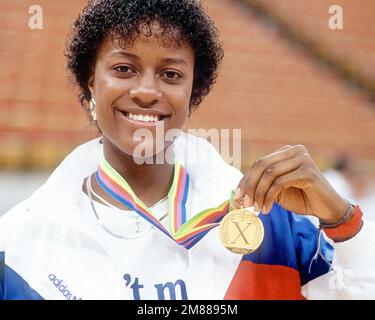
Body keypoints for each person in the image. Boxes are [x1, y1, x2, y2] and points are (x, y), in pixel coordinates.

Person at [0, 0, 374, 300]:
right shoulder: (18, 245)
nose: (147, 91)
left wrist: (343, 220)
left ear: (193, 93)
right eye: (124, 68)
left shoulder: (266, 220)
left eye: (171, 74)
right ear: (91, 82)